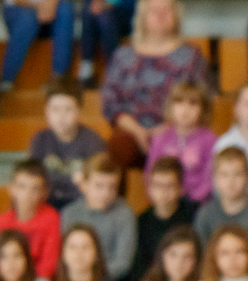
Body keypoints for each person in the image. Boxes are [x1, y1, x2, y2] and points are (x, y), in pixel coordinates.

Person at [100, 0, 212, 176]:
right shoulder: (123, 55)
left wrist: (164, 131)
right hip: (132, 133)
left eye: (167, 9)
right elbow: (109, 102)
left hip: (178, 131)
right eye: (154, 10)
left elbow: (202, 99)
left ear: (176, 15)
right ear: (142, 16)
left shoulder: (192, 56)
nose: (160, 15)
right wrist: (139, 132)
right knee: (118, 145)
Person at [32, 80, 110, 208]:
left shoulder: (92, 140)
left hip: (82, 204)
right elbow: (33, 178)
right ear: (46, 111)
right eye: (55, 109)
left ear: (79, 111)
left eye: (68, 109)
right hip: (47, 203)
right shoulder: (39, 140)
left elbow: (97, 181)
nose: (61, 117)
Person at [61, 154, 138, 281]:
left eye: (112, 187)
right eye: (99, 186)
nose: (105, 193)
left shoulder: (124, 214)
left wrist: (90, 277)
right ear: (83, 185)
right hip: (74, 280)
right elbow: (65, 257)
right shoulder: (69, 213)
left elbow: (122, 264)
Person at [130, 156, 198, 281]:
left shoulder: (193, 215)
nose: (163, 192)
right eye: (158, 186)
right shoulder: (142, 221)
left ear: (180, 188)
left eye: (169, 186)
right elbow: (139, 266)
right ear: (149, 188)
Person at [146, 81, 219, 203]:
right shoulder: (161, 137)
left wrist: (194, 199)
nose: (185, 109)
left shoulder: (209, 140)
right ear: (170, 106)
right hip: (165, 200)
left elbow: (209, 178)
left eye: (193, 104)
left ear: (203, 109)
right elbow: (150, 172)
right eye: (179, 102)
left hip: (196, 203)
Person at [0, 158, 64, 280]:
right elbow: (0, 260)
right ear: (11, 189)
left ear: (44, 193)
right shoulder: (3, 221)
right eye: (22, 187)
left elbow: (48, 265)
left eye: (35, 188)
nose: (28, 194)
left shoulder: (51, 218)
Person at [194, 147, 248, 254]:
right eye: (224, 175)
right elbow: (201, 255)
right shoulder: (206, 214)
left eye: (237, 174)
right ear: (215, 178)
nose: (231, 181)